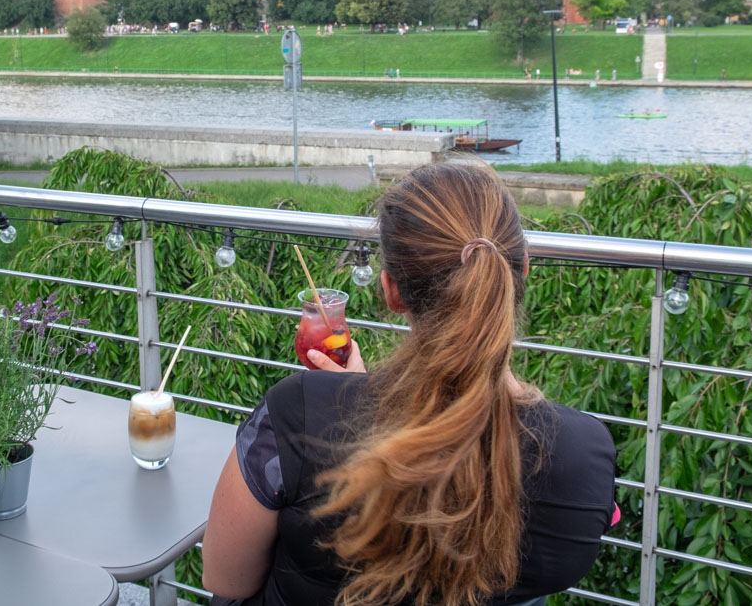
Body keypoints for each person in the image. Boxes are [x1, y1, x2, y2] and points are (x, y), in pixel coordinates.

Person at [203, 161, 617, 606]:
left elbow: (226, 581)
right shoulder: (583, 452)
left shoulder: (298, 413)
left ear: (391, 291)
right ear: (523, 271)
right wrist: (357, 398)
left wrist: (348, 400)